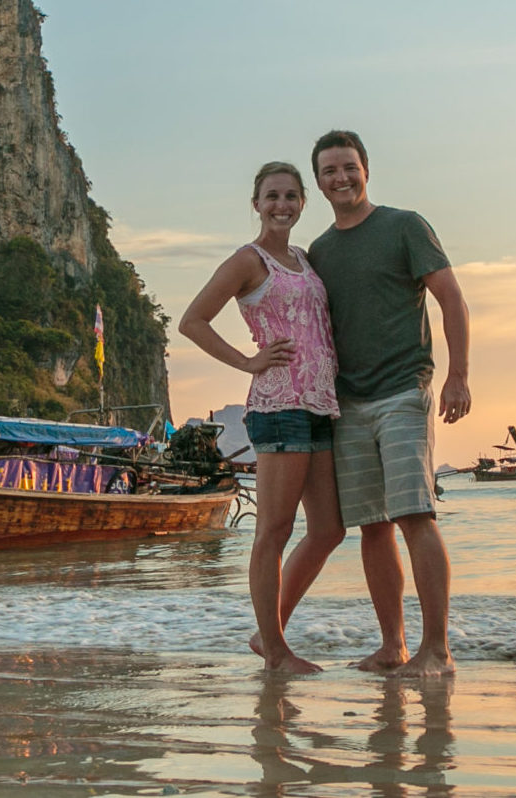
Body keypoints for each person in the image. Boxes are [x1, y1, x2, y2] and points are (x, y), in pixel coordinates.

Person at [307, 130, 471, 679]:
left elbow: (451, 299)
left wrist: (458, 377)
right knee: (372, 525)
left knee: (414, 515)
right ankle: (392, 647)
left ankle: (438, 650)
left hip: (404, 391)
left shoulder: (405, 225)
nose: (341, 178)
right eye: (330, 171)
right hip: (348, 404)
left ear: (366, 169)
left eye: (349, 167)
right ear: (319, 181)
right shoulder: (321, 252)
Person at [179, 161, 345, 673]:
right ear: (256, 204)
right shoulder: (246, 261)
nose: (282, 205)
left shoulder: (304, 258)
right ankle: (275, 651)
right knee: (273, 530)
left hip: (321, 404)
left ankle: (267, 633)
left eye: (291, 196)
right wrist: (249, 361)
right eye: (272, 196)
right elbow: (192, 321)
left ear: (302, 203)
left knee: (329, 530)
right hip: (279, 406)